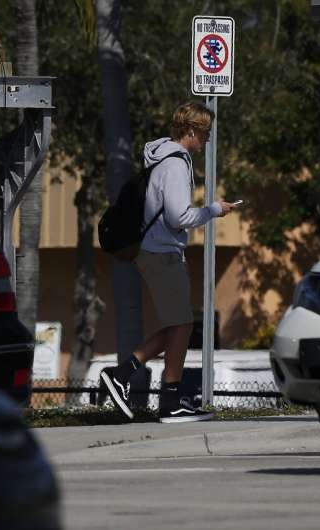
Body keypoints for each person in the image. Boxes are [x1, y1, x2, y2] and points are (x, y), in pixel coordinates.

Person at [100, 101, 235, 423]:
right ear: (190, 130)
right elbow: (179, 216)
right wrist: (214, 210)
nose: (207, 140)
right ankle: (139, 383)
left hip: (157, 250)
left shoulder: (165, 159)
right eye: (205, 133)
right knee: (182, 324)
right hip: (162, 251)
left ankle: (161, 393)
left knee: (179, 324)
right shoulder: (175, 165)